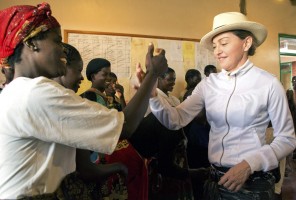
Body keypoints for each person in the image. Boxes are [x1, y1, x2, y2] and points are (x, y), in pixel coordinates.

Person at [0, 3, 168, 199]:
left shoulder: (15, 92)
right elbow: (125, 127)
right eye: (57, 41)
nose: (63, 51)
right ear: (32, 43)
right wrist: (153, 74)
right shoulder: (34, 93)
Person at [148, 12, 296, 199]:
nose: (217, 51)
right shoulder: (209, 84)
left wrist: (249, 164)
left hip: (252, 182)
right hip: (215, 179)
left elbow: (287, 138)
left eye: (224, 43)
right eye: (215, 46)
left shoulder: (268, 84)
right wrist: (151, 94)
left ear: (246, 43)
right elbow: (176, 119)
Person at [53, 43, 128, 199]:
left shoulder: (103, 97)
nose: (81, 77)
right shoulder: (85, 99)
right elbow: (86, 167)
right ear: (61, 68)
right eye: (105, 75)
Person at [182, 69, 210, 200]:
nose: (200, 81)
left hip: (200, 140)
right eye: (198, 79)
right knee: (199, 175)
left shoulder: (195, 93)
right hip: (197, 141)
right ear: (191, 79)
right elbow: (201, 118)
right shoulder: (191, 94)